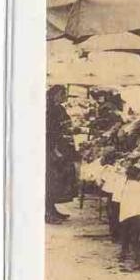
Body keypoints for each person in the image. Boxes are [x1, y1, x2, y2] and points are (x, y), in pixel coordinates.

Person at [46, 85, 78, 224]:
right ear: (54, 95)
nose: (64, 96)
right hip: (51, 149)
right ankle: (47, 213)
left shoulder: (59, 108)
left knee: (57, 181)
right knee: (50, 181)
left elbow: (65, 126)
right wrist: (54, 150)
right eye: (62, 93)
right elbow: (49, 132)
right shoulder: (49, 110)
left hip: (61, 147)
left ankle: (52, 209)